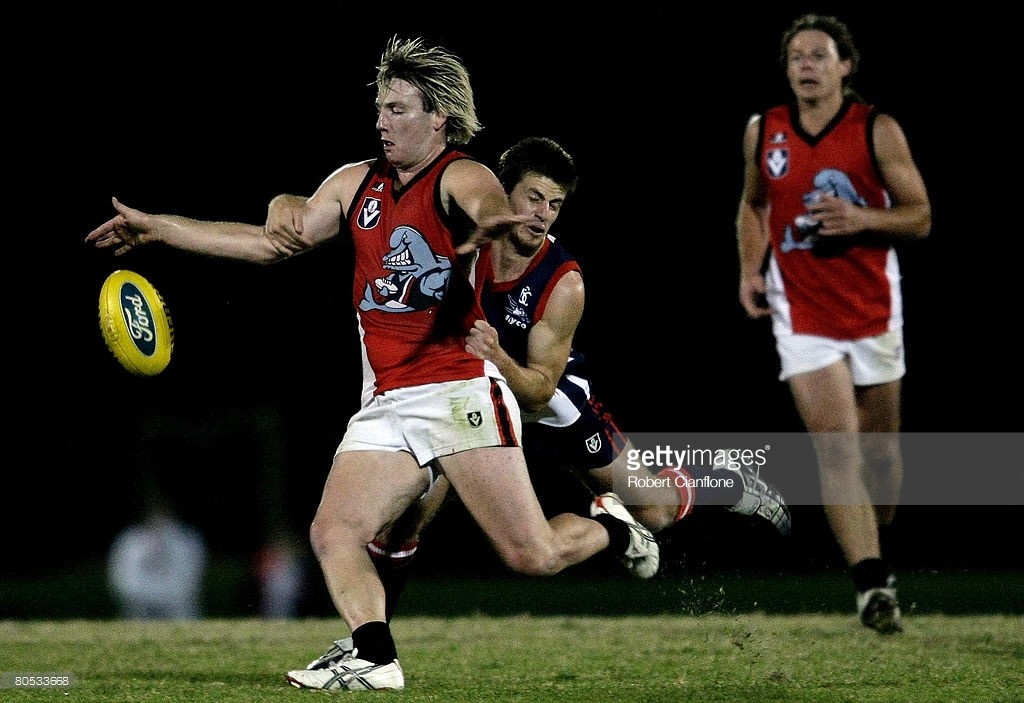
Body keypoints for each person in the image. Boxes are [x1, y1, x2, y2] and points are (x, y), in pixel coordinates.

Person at [86, 36, 658, 692]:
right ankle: (374, 655)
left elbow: (490, 210)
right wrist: (159, 227)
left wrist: (490, 228)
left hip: (458, 390)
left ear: (438, 117)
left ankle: (612, 527)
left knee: (531, 554)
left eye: (398, 108)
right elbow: (270, 243)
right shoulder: (356, 183)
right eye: (380, 108)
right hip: (389, 399)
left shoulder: (462, 175)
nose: (382, 120)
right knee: (334, 530)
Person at [270, 137, 792, 665]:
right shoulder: (459, 231)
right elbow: (327, 217)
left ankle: (712, 482)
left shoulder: (563, 280)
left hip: (546, 402)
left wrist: (498, 356)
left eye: (554, 205)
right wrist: (281, 205)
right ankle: (370, 647)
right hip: (465, 400)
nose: (541, 215)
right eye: (532, 199)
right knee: (406, 519)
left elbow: (543, 384)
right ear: (499, 192)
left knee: (654, 511)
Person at [734, 14, 931, 635]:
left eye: (820, 55)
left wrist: (861, 218)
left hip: (872, 307)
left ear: (846, 66)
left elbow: (920, 216)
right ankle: (871, 586)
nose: (807, 65)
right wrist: (750, 267)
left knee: (882, 463)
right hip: (802, 311)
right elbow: (753, 203)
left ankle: (880, 550)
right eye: (797, 56)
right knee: (835, 444)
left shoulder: (878, 129)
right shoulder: (764, 129)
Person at [107, 479, 207, 620]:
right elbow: (121, 577)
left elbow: (190, 577)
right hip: (139, 603)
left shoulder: (187, 538)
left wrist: (169, 596)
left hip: (176, 605)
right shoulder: (129, 539)